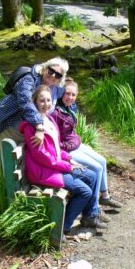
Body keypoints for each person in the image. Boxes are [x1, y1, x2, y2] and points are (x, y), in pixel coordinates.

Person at [19, 85, 107, 234]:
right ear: (34, 103)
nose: (46, 104)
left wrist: (69, 158)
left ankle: (89, 216)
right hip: (43, 172)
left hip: (53, 167)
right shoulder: (31, 128)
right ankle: (63, 227)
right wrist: (67, 167)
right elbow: (42, 157)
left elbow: (56, 148)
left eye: (48, 100)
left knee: (91, 176)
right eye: (42, 101)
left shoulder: (48, 120)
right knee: (84, 191)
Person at [51, 78, 123, 210]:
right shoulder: (56, 112)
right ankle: (93, 209)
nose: (70, 97)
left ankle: (105, 197)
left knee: (102, 160)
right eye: (67, 93)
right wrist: (70, 147)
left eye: (73, 94)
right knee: (97, 168)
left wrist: (79, 142)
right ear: (61, 93)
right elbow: (55, 140)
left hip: (75, 145)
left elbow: (71, 132)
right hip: (67, 150)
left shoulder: (70, 108)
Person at [0, 57, 70, 154]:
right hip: (9, 120)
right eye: (51, 70)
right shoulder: (29, 79)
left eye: (58, 75)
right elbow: (25, 101)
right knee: (9, 158)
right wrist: (39, 126)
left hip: (27, 125)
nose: (53, 75)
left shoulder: (53, 88)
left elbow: (67, 96)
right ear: (45, 68)